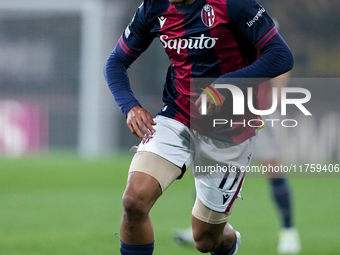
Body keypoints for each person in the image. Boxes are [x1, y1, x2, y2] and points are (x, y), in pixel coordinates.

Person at [104, 0, 294, 254]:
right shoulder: (154, 7)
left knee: (205, 240)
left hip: (228, 126)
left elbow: (281, 56)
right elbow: (115, 61)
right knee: (134, 200)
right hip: (176, 115)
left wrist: (224, 86)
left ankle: (231, 241)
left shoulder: (233, 5)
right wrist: (130, 105)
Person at [173, 73, 302, 255]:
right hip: (223, 113)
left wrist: (279, 92)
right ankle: (201, 226)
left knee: (272, 168)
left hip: (257, 111)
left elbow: (279, 58)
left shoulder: (256, 43)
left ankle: (289, 231)